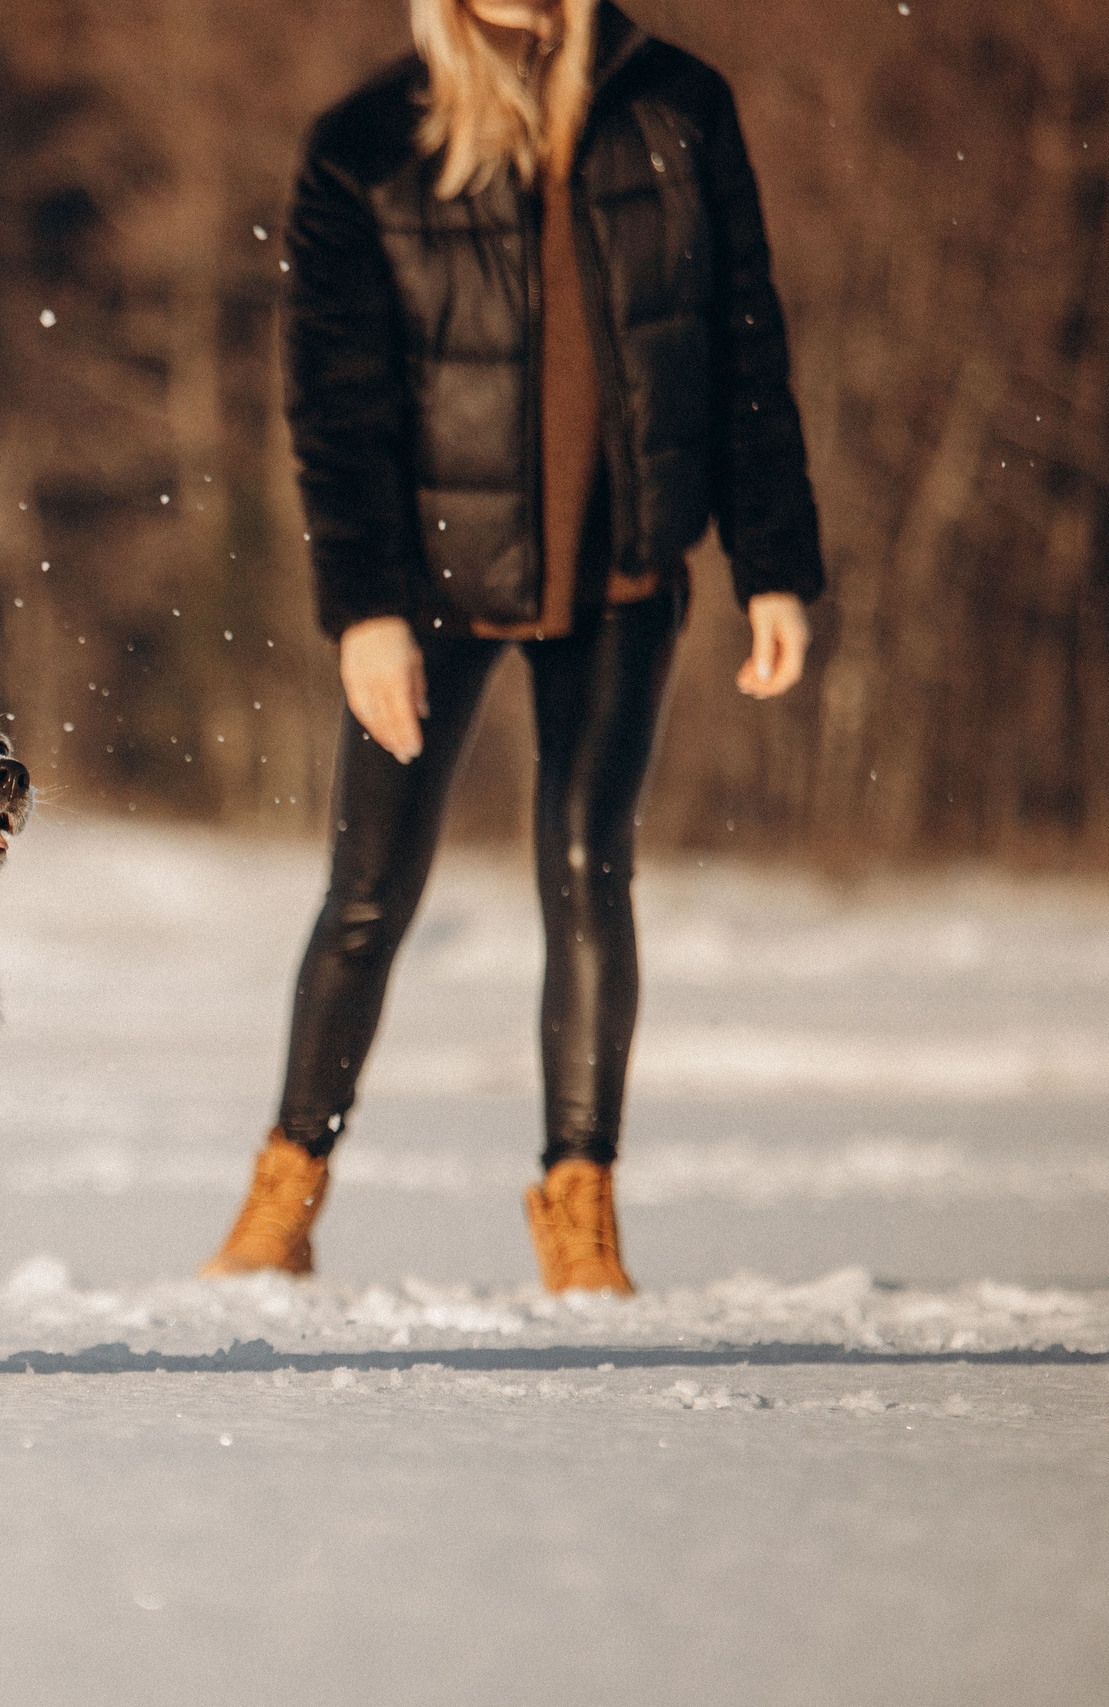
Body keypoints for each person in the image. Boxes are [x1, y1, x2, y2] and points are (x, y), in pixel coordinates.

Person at [203, 0, 822, 1292]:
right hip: (427, 583)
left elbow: (743, 342)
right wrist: (363, 608)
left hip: (624, 569)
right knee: (371, 889)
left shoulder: (677, 110)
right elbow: (335, 402)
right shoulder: (368, 144)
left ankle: (580, 1204)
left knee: (590, 864)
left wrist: (775, 564)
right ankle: (284, 1193)